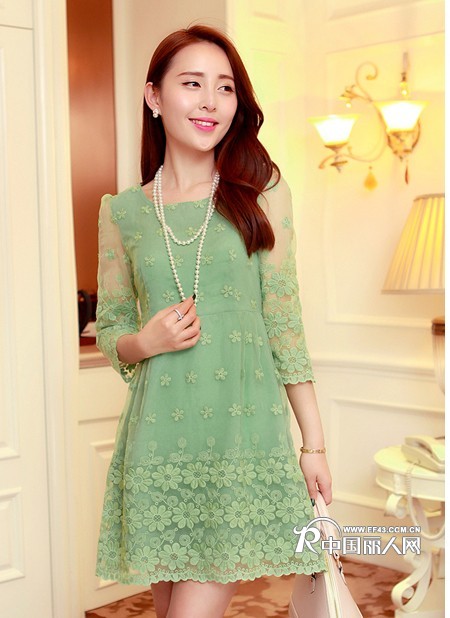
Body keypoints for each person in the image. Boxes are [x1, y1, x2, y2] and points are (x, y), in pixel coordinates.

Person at [95, 24, 332, 618]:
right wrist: (145, 341)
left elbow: (285, 323)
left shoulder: (262, 193)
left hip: (241, 443)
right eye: (192, 84)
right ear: (154, 96)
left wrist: (314, 444)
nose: (210, 102)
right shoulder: (123, 212)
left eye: (224, 87)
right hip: (158, 448)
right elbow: (111, 329)